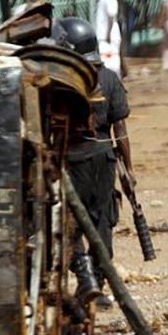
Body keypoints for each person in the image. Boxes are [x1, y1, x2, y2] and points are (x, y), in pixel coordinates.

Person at [50, 17, 134, 306]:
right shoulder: (109, 78)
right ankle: (97, 284)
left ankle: (85, 278)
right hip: (105, 159)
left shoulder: (61, 80)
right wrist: (128, 170)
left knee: (69, 223)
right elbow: (120, 130)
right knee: (102, 222)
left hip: (72, 162)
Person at [94, 0, 122, 75]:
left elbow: (111, 17)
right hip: (103, 38)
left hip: (108, 37)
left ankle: (116, 83)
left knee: (112, 64)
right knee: (106, 63)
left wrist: (108, 35)